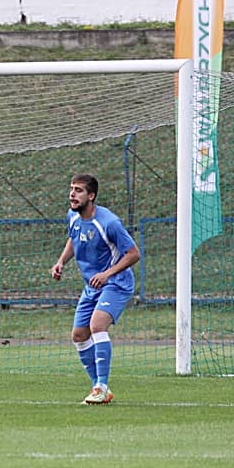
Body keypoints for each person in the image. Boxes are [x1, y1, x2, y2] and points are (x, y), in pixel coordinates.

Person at [51, 173, 140, 405]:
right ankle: (97, 388)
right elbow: (74, 238)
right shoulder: (73, 216)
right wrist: (61, 262)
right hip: (92, 285)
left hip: (116, 282)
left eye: (78, 190)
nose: (72, 194)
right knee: (79, 335)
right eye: (71, 189)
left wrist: (107, 273)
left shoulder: (109, 223)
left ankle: (102, 386)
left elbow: (133, 254)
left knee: (97, 325)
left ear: (91, 196)